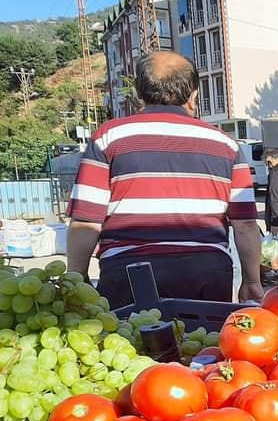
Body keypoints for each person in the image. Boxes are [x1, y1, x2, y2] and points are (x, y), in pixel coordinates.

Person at [67, 51, 262, 308]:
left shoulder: (109, 137)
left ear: (139, 94)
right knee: (202, 345)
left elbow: (85, 220)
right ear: (194, 96)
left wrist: (77, 278)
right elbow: (246, 224)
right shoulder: (225, 143)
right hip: (206, 271)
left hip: (127, 272)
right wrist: (251, 281)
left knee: (129, 345)